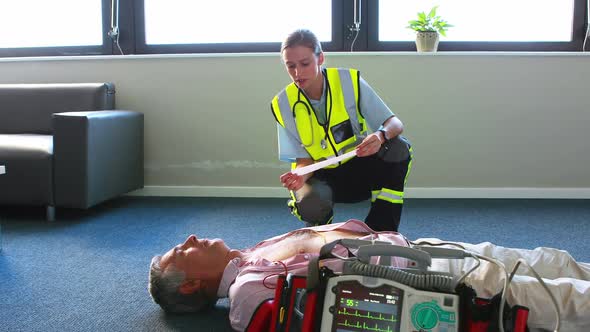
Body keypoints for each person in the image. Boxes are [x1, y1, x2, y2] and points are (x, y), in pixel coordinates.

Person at [148, 220, 590, 332]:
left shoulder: (250, 257)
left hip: (422, 249)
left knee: (551, 259)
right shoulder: (249, 296)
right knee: (558, 298)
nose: (189, 236)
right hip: (429, 281)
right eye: (180, 251)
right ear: (190, 284)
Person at [271, 29, 412, 231]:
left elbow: (395, 124)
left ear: (320, 58)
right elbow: (303, 160)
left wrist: (380, 136)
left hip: (360, 170)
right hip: (321, 177)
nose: (297, 73)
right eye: (290, 66)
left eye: (304, 64)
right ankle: (320, 237)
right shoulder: (282, 104)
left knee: (398, 147)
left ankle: (380, 230)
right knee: (310, 202)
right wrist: (300, 175)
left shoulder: (348, 82)